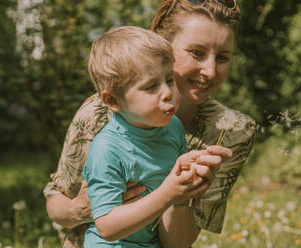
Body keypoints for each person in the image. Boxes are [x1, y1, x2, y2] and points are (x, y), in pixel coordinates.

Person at [44, 0, 255, 247]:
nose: (209, 70)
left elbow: (176, 243)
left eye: (222, 57)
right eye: (196, 53)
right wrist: (79, 209)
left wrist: (181, 192)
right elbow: (57, 201)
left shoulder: (229, 131)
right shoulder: (101, 113)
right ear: (162, 48)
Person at [82, 25, 213, 248]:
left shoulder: (173, 126)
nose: (168, 92)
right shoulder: (107, 149)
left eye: (169, 79)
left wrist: (190, 177)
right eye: (152, 86)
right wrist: (167, 194)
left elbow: (176, 203)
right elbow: (107, 227)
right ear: (113, 100)